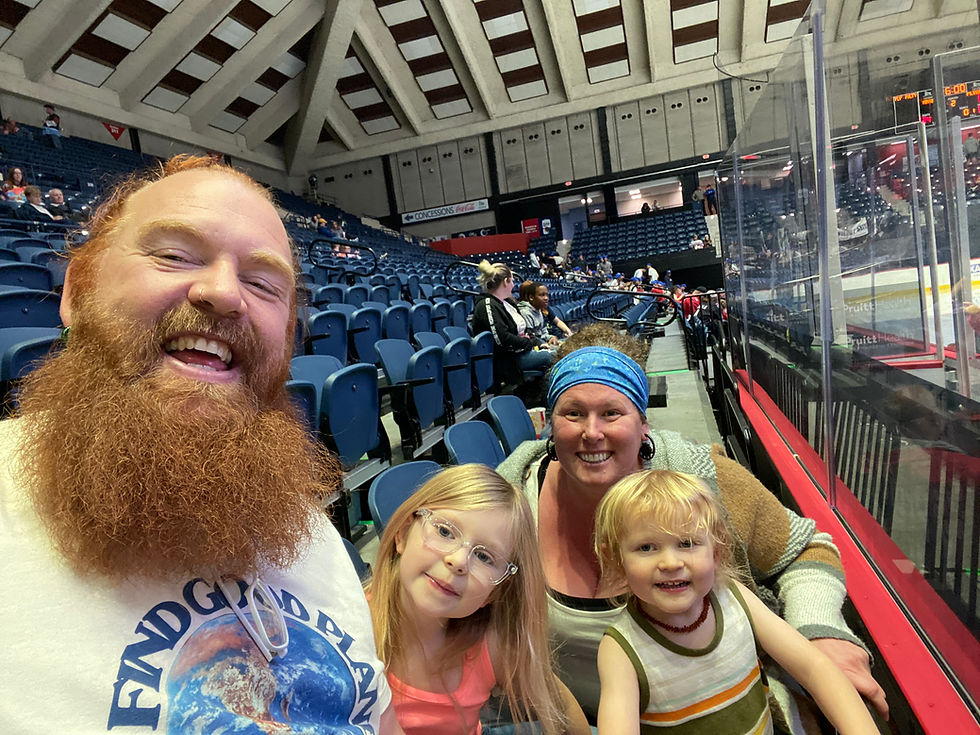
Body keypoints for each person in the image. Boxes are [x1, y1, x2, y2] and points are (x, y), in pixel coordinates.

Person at [0, 155, 399, 733]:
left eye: (263, 283)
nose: (222, 292)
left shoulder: (302, 523)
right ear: (75, 293)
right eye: (172, 255)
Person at [495, 327, 888, 730]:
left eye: (611, 412)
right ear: (548, 422)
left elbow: (807, 549)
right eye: (573, 413)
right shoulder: (504, 506)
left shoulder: (697, 481)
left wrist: (820, 632)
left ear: (642, 422)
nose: (591, 432)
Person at [594, 470, 878, 735]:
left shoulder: (733, 597)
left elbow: (814, 667)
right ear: (615, 560)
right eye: (646, 547)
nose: (670, 562)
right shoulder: (621, 650)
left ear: (716, 552)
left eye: (687, 543)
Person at [367, 464, 589, 735]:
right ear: (402, 534)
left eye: (484, 557)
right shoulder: (345, 630)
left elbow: (560, 707)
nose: (458, 561)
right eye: (445, 532)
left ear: (495, 592)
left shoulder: (492, 645)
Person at [471, 260, 553, 389]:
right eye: (512, 280)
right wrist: (528, 344)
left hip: (521, 352)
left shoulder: (508, 303)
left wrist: (537, 342)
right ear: (505, 282)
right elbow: (501, 338)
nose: (514, 284)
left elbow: (523, 331)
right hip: (508, 360)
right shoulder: (486, 304)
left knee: (555, 350)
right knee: (554, 356)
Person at [519, 282, 573, 347]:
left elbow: (543, 332)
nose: (546, 298)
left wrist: (550, 337)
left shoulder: (538, 308)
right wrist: (542, 344)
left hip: (543, 342)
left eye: (547, 295)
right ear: (531, 297)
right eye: (542, 295)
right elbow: (529, 337)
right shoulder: (525, 312)